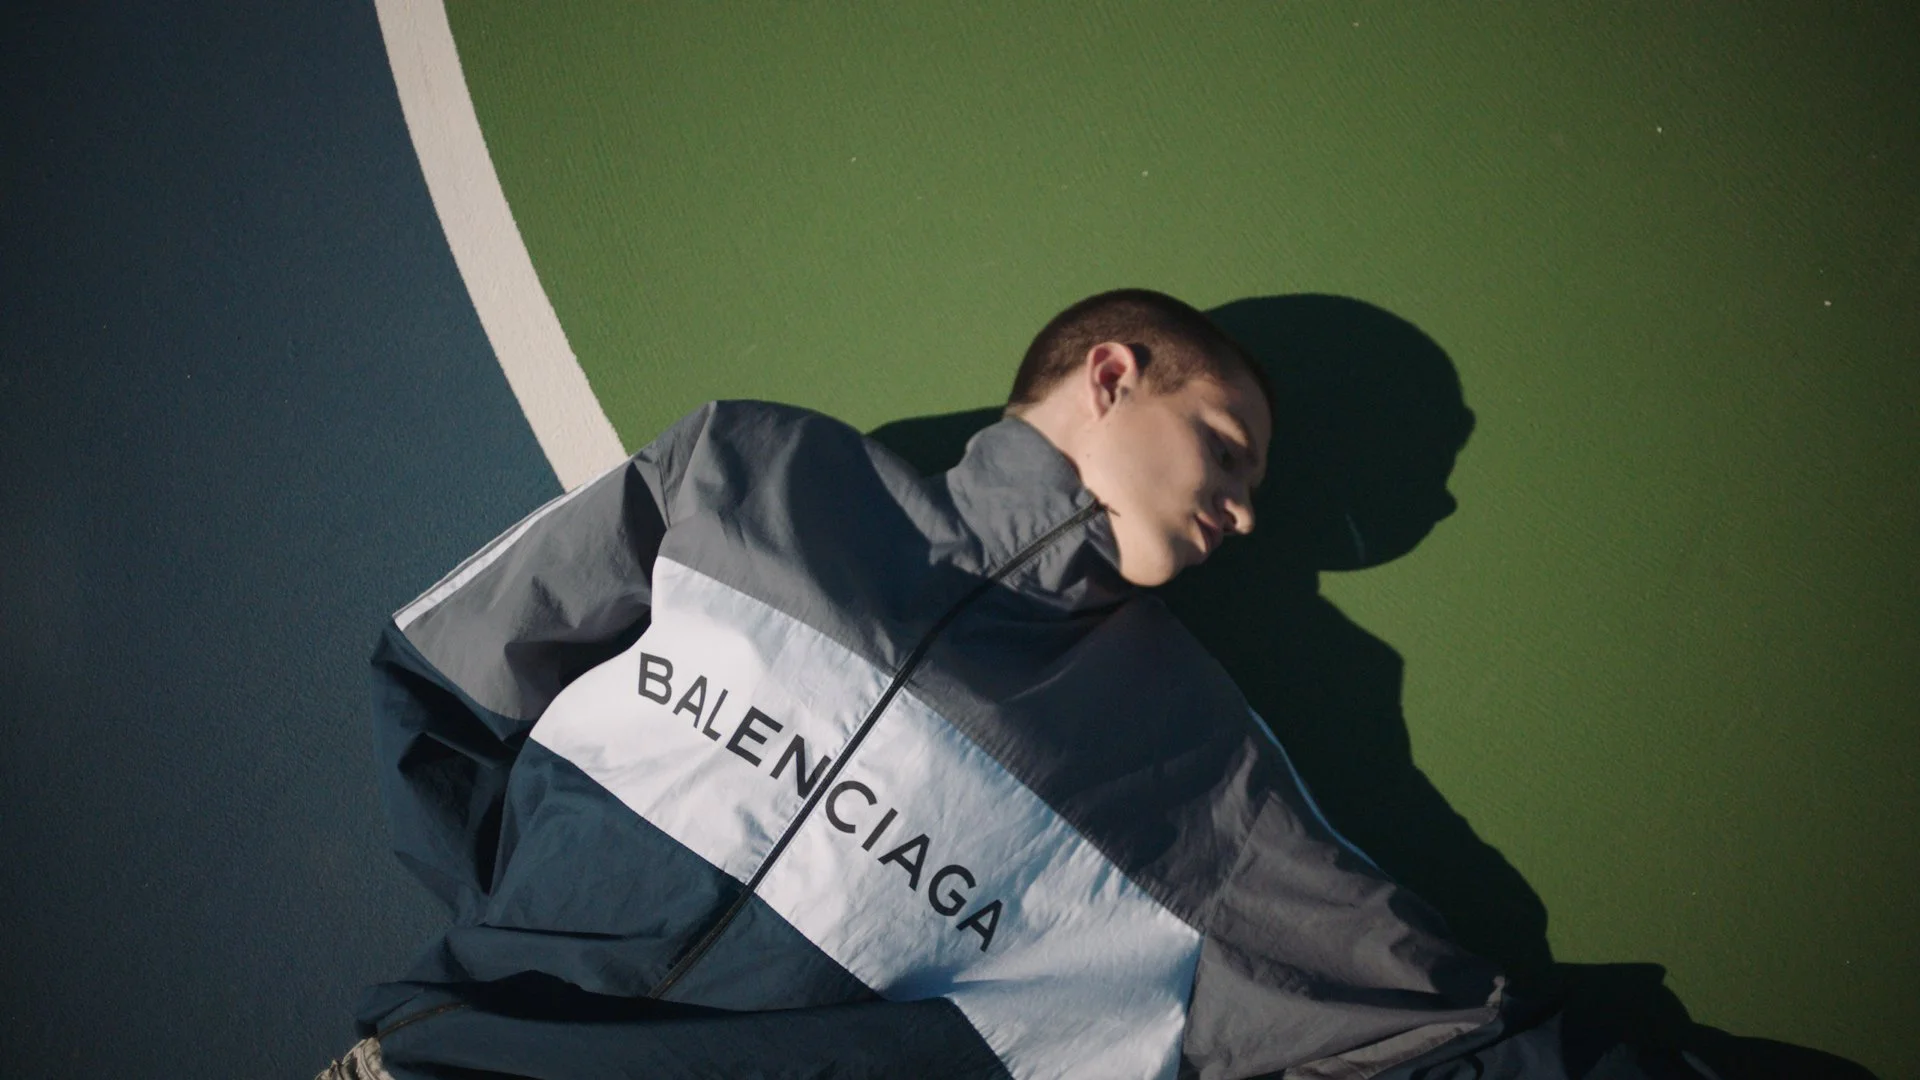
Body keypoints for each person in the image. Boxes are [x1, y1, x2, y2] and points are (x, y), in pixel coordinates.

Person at [324, 289, 1710, 1079]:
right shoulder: (755, 472)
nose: (1244, 511)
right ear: (1112, 373)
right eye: (1228, 449)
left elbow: (1417, 1019)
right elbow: (447, 675)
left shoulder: (1189, 755)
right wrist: (526, 921)